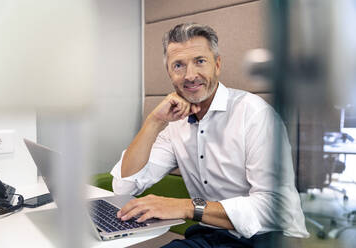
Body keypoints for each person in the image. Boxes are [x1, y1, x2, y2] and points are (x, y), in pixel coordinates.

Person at [110, 23, 309, 247]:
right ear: (169, 73)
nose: (190, 75)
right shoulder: (176, 125)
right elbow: (124, 186)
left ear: (217, 64)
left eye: (200, 61)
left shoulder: (254, 114)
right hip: (212, 235)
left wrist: (185, 206)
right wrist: (154, 122)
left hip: (268, 239)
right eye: (178, 65)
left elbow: (277, 207)